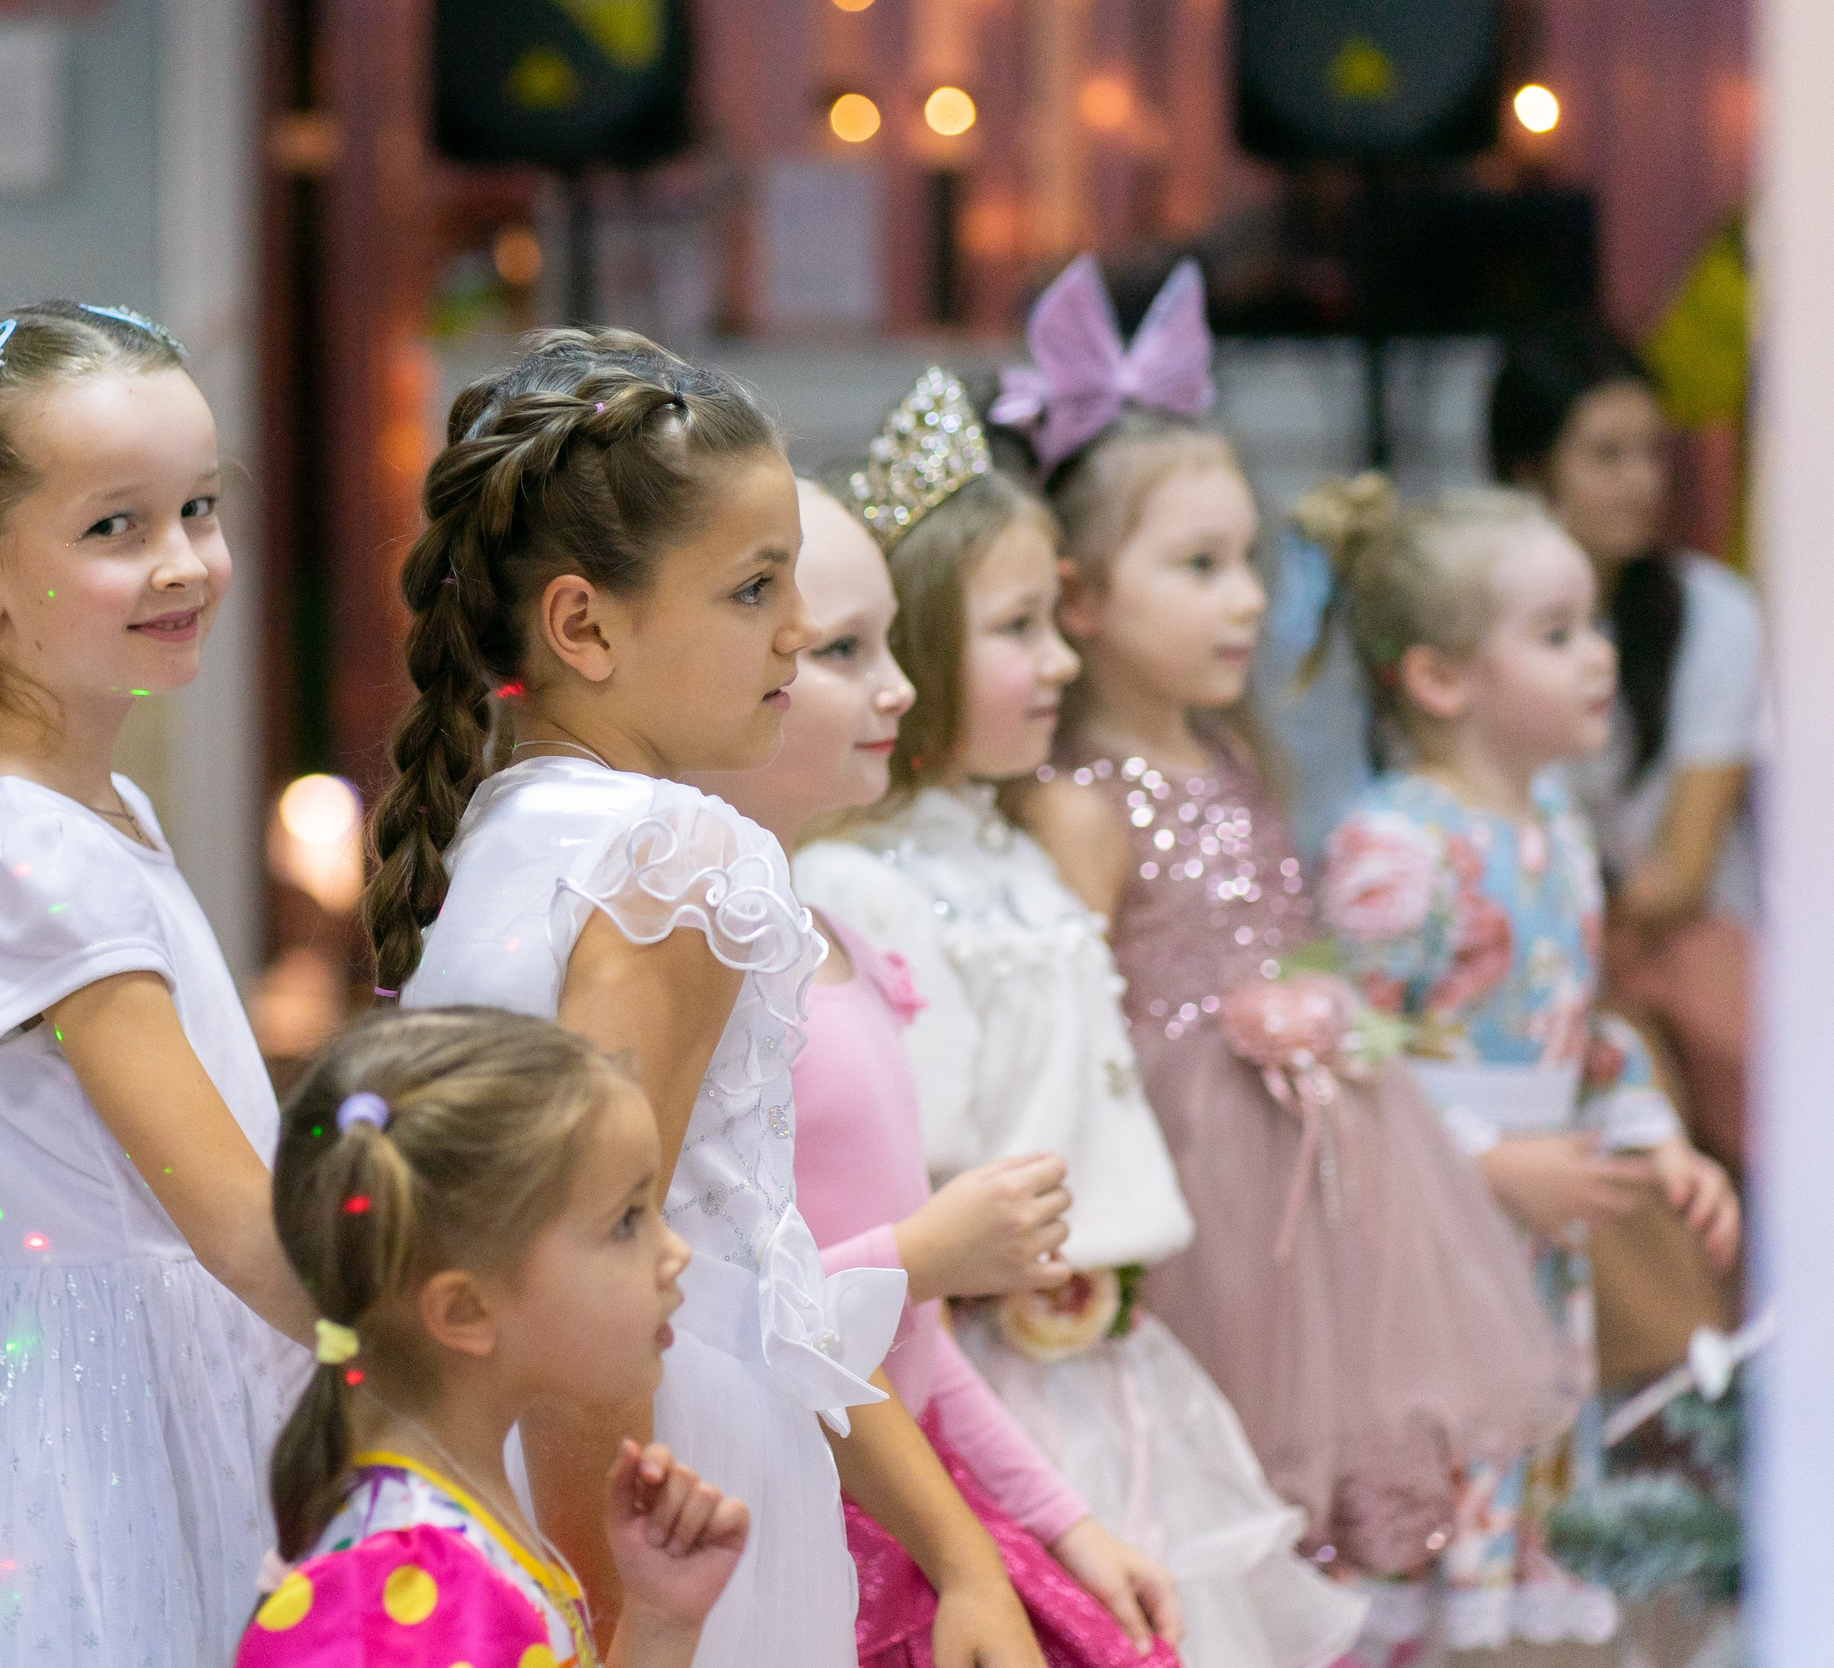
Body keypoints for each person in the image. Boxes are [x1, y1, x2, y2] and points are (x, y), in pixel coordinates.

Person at [369, 328, 1042, 1668]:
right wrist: (609, 1611)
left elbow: (763, 1271)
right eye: (753, 589)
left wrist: (959, 1549)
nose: (796, 628)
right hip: (657, 1469)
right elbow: (587, 1261)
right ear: (584, 623)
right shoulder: (685, 858)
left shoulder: (502, 830)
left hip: (526, 1437)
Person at [999, 259, 1582, 1607]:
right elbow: (1077, 1036)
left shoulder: (1232, 757)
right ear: (1079, 597)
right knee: (1216, 1506)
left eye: (1250, 557)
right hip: (1195, 1197)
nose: (1248, 598)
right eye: (1199, 565)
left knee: (1324, 1538)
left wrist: (1315, 1010)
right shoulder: (1081, 803)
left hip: (1315, 1168)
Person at [791, 373, 1363, 1668]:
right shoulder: (856, 883)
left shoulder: (1029, 845)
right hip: (988, 1360)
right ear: (923, 649)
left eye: (1058, 619)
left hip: (1106, 1348)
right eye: (1018, 626)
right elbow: (903, 1169)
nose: (1060, 658)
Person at [0, 304, 310, 1667]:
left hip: (149, 1376)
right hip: (116, 1418)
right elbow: (238, 1224)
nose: (186, 562)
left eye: (200, 507)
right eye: (116, 527)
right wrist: (434, 1362)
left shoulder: (93, 811)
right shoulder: (29, 856)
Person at [695, 458, 1188, 1668]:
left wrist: (1065, 1528)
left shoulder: (845, 943)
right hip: (812, 1514)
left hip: (915, 1477)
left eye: (894, 647)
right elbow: (730, 1311)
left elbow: (913, 1349)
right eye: (844, 651)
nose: (899, 688)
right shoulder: (706, 967)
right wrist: (925, 1254)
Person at [1307, 476, 1741, 1654]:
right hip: (1428, 1254)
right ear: (1441, 679)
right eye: (1555, 635)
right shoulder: (1393, 846)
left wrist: (1656, 1131)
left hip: (1533, 1255)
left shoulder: (1553, 827)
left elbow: (1574, 1021)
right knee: (1427, 1544)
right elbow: (1341, 1067)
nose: (1598, 656)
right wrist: (1488, 1164)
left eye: (1590, 623)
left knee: (1522, 1529)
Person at [234, 1007, 747, 1668]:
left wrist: (659, 1620)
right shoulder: (408, 1590)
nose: (674, 1251)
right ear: (466, 1309)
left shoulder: (444, 1538)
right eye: (625, 1221)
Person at [1489, 322, 1762, 1183]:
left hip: (1676, 939)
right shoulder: (1473, 626)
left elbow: (1678, 878)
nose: (1641, 482)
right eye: (1606, 455)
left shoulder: (1713, 613)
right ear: (1531, 471)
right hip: (1533, 950)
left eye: (1652, 453)